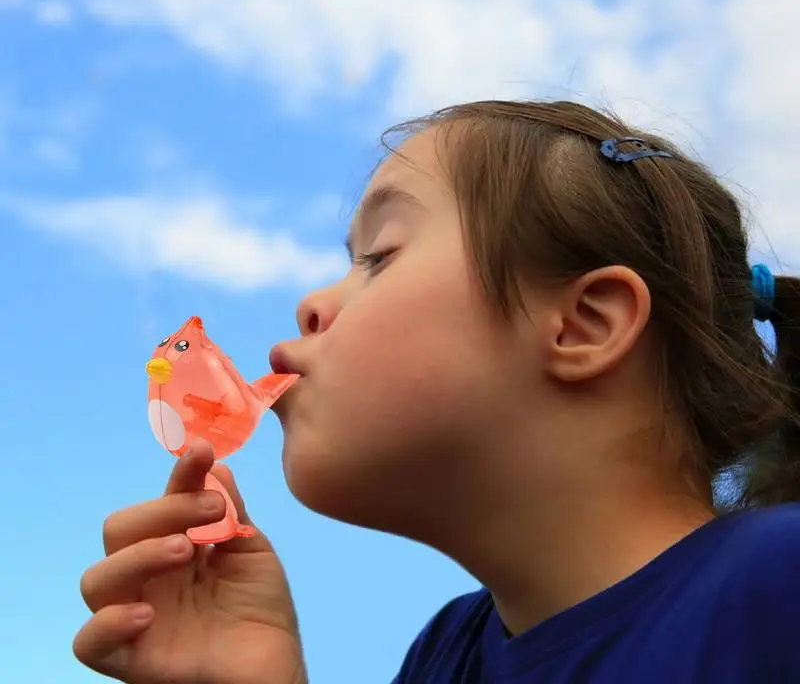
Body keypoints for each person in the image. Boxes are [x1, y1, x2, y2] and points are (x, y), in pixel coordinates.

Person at [73, 100, 800, 683]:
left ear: (584, 325)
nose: (311, 304)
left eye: (380, 257)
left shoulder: (778, 584)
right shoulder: (446, 656)